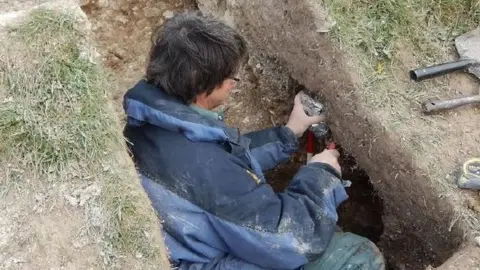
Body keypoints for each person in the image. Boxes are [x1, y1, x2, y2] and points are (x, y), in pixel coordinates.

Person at [123, 11, 385, 270]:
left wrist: (289, 133)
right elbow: (298, 240)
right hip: (197, 262)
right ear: (201, 86)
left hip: (186, 239)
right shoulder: (212, 175)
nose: (234, 85)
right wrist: (322, 175)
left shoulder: (152, 120)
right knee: (356, 259)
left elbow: (223, 159)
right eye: (230, 79)